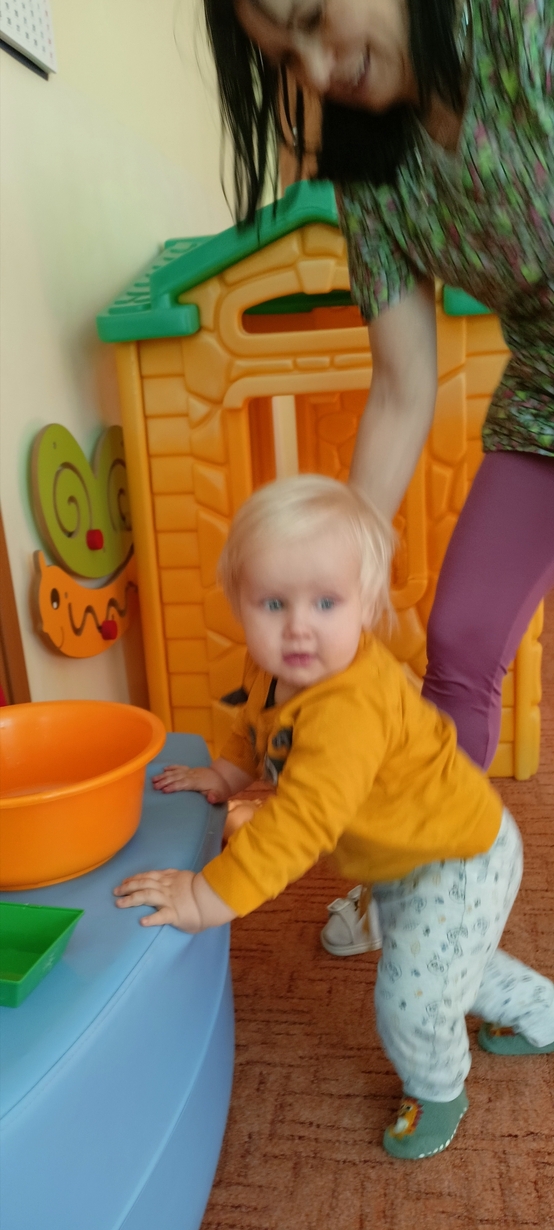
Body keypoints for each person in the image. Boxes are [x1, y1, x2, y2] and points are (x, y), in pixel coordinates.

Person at [201, 0, 554, 953]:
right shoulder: (374, 176)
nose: (317, 71)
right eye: (288, 58)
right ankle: (423, 885)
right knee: (460, 636)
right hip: (546, 400)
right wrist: (335, 573)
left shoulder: (524, 31)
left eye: (314, 19)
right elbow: (402, 387)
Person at [114, 476, 554, 1161]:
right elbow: (255, 725)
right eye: (273, 603)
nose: (298, 626)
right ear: (239, 603)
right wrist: (226, 774)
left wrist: (206, 895)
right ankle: (541, 1011)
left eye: (326, 602)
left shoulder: (348, 709)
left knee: (414, 996)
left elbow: (299, 824)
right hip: (400, 855)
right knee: (449, 962)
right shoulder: (275, 668)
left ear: (366, 606)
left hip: (458, 859)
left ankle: (439, 1089)